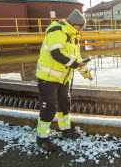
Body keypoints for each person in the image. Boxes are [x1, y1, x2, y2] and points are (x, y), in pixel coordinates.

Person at [35, 9, 93, 151]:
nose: (81, 30)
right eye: (80, 27)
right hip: (47, 78)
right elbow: (56, 54)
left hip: (63, 78)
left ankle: (65, 130)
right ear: (73, 23)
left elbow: (77, 60)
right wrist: (75, 65)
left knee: (64, 104)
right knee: (49, 107)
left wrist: (87, 74)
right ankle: (42, 138)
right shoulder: (57, 31)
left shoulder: (73, 37)